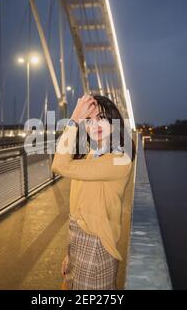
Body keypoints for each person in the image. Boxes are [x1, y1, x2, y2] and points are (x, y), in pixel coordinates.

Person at [51, 95, 136, 290]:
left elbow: (59, 165)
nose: (95, 124)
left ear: (114, 122)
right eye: (88, 120)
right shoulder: (91, 155)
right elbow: (77, 205)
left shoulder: (120, 160)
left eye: (102, 118)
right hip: (77, 240)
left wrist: (74, 119)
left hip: (97, 247)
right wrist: (70, 253)